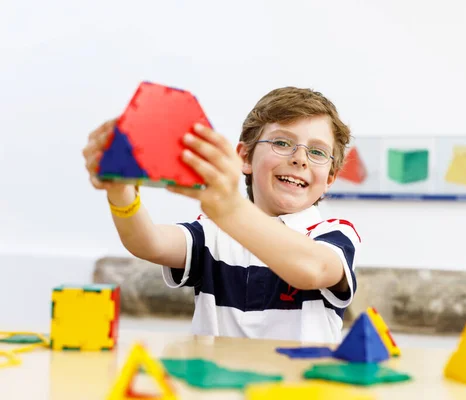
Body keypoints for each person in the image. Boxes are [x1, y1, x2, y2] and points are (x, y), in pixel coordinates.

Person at [82, 86, 361, 343]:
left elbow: (314, 270)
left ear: (330, 178)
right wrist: (120, 192)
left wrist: (228, 208)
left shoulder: (334, 233)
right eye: (282, 143)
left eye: (317, 151)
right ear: (245, 158)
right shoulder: (212, 231)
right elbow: (148, 242)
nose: (300, 158)